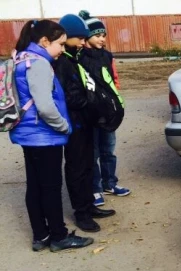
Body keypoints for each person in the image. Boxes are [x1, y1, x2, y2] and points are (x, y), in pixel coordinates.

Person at [10, 20, 94, 252]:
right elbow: (45, 106)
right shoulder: (38, 64)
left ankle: (41, 235)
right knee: (50, 187)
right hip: (44, 136)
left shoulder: (21, 59)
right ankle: (59, 236)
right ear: (44, 41)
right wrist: (63, 126)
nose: (62, 49)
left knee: (35, 186)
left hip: (29, 135)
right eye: (59, 44)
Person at [54, 14, 116, 232]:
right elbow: (68, 95)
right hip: (74, 124)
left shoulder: (75, 56)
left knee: (89, 164)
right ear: (66, 37)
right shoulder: (62, 61)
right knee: (77, 168)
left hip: (85, 122)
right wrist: (91, 104)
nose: (82, 41)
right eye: (78, 38)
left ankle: (89, 205)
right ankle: (81, 212)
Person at [78, 10, 130, 207]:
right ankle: (95, 188)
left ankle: (110, 183)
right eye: (97, 35)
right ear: (87, 36)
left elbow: (114, 80)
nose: (102, 39)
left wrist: (115, 102)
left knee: (109, 149)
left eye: (103, 35)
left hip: (108, 112)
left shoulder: (107, 56)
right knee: (93, 153)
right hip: (91, 113)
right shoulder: (80, 57)